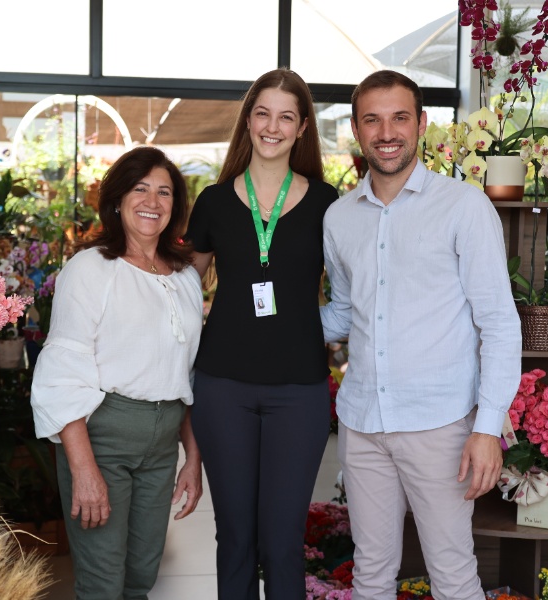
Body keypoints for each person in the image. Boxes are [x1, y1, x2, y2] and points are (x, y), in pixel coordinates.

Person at [320, 70, 521, 600]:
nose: (387, 132)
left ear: (422, 124)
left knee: (452, 573)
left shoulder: (463, 206)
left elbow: (499, 323)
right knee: (370, 571)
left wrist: (487, 428)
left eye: (399, 118)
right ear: (356, 130)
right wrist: (262, 324)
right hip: (363, 422)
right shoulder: (339, 218)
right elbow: (344, 314)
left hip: (440, 425)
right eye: (372, 120)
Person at [186, 68, 339, 599]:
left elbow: (354, 291)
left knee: (282, 542)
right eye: (263, 113)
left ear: (302, 128)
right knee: (235, 538)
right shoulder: (213, 201)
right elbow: (182, 289)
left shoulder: (327, 203)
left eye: (286, 117)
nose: (273, 127)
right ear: (248, 120)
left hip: (300, 390)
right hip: (222, 387)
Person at [30, 146, 204, 600]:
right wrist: (83, 469)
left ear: (176, 205)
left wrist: (193, 458)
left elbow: (186, 375)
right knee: (103, 583)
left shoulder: (185, 277)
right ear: (118, 199)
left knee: (141, 577)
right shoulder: (90, 269)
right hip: (102, 441)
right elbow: (62, 373)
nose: (152, 201)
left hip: (162, 447)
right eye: (140, 189)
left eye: (164, 192)